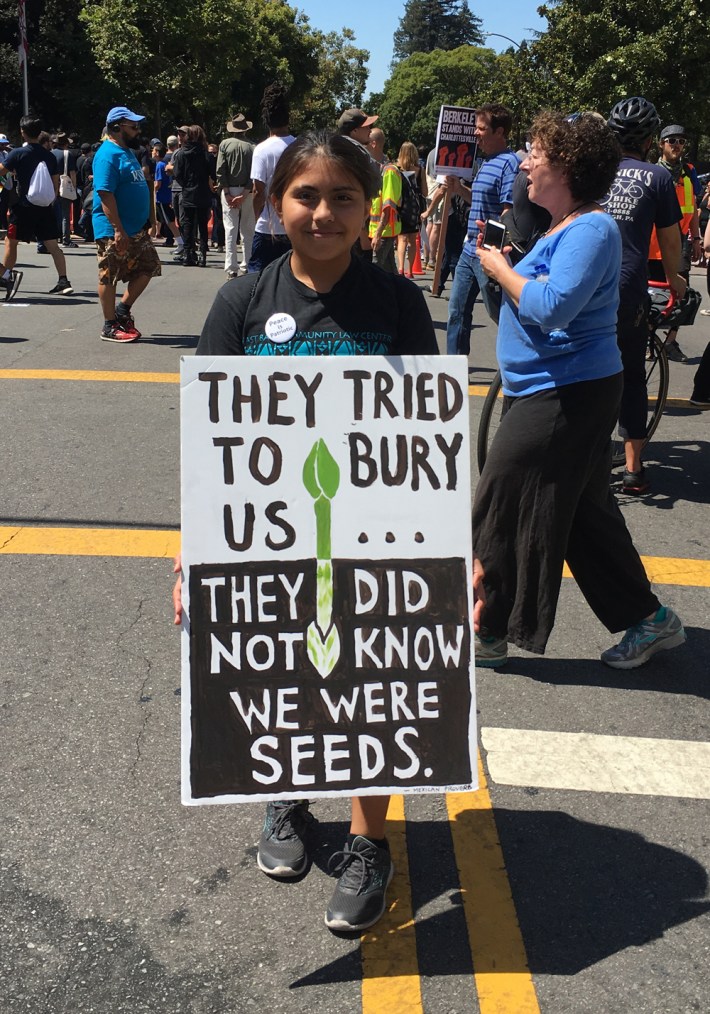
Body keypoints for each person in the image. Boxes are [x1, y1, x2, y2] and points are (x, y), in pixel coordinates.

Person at [174, 130, 439, 933]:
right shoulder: (243, 302)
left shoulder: (397, 303)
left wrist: (448, 554)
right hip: (265, 533)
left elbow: (425, 436)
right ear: (273, 203)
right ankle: (285, 794)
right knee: (281, 673)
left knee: (371, 684)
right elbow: (209, 436)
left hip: (377, 536)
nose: (323, 213)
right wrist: (192, 549)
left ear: (370, 211)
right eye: (306, 197)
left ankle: (369, 841)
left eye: (343, 198)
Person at [473, 111, 685, 671]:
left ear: (565, 167)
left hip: (565, 392)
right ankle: (649, 620)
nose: (524, 163)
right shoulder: (565, 225)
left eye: (535, 155)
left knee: (501, 499)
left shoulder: (592, 227)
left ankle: (487, 627)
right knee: (585, 517)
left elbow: (552, 306)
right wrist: (515, 265)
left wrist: (500, 269)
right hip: (553, 387)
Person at [603, 97, 686, 494]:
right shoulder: (658, 178)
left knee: (586, 371)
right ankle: (634, 470)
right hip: (628, 286)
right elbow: (671, 243)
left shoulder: (594, 171)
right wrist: (677, 283)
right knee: (632, 376)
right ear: (651, 140)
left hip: (586, 284)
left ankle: (589, 457)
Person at [446, 103, 519, 356]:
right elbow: (476, 202)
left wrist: (492, 249)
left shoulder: (509, 163)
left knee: (501, 313)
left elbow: (507, 210)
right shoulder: (486, 162)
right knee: (457, 312)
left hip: (488, 252)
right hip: (469, 250)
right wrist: (458, 189)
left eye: (481, 128)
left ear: (499, 132)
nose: (475, 133)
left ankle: (522, 356)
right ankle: (452, 372)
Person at [92, 105, 161, 343]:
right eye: (133, 127)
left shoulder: (128, 152)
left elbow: (144, 186)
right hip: (114, 229)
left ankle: (123, 310)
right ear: (116, 128)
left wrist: (151, 219)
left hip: (136, 228)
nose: (138, 130)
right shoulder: (106, 155)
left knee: (149, 266)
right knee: (108, 275)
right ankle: (109, 325)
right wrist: (118, 229)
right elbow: (105, 194)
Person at [0, 114, 73, 300]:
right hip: (45, 206)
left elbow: (1, 171)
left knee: (12, 240)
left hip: (23, 206)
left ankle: (6, 275)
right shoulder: (48, 156)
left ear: (22, 132)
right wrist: (51, 199)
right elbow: (55, 182)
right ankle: (63, 280)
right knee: (53, 245)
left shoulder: (17, 153)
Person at [647, 123, 702, 363]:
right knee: (649, 295)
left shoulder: (688, 172)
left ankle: (669, 342)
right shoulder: (652, 173)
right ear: (661, 145)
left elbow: (694, 209)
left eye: (680, 141)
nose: (677, 145)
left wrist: (697, 238)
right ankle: (647, 340)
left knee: (681, 296)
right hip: (652, 245)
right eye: (672, 141)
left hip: (679, 243)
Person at [249, 83, 295, 272]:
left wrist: (256, 216)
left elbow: (258, 191)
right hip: (294, 226)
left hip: (268, 227)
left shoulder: (262, 150)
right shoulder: (300, 147)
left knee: (258, 279)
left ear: (266, 120)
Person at [216, 113, 254, 277]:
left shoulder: (224, 144)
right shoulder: (253, 146)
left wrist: (226, 192)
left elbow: (220, 169)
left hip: (229, 190)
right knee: (247, 230)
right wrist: (245, 192)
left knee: (230, 229)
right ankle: (247, 265)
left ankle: (231, 268)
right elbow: (254, 173)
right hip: (248, 191)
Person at [171, 124, 214, 267]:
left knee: (187, 223)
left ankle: (188, 254)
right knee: (202, 223)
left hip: (188, 191)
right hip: (202, 191)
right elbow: (213, 173)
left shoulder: (182, 153)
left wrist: (185, 184)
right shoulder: (205, 154)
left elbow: (177, 174)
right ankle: (202, 254)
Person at [368, 127, 401, 274]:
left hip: (385, 231)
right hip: (382, 231)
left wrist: (378, 233)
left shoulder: (389, 171)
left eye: (366, 142)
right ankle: (399, 295)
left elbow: (388, 207)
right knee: (389, 270)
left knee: (375, 270)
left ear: (373, 144)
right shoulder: (380, 169)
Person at [395, 140, 427, 277]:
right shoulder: (419, 170)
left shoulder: (396, 169)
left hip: (401, 206)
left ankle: (401, 268)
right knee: (413, 239)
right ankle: (410, 271)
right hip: (415, 208)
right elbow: (425, 192)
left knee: (401, 238)